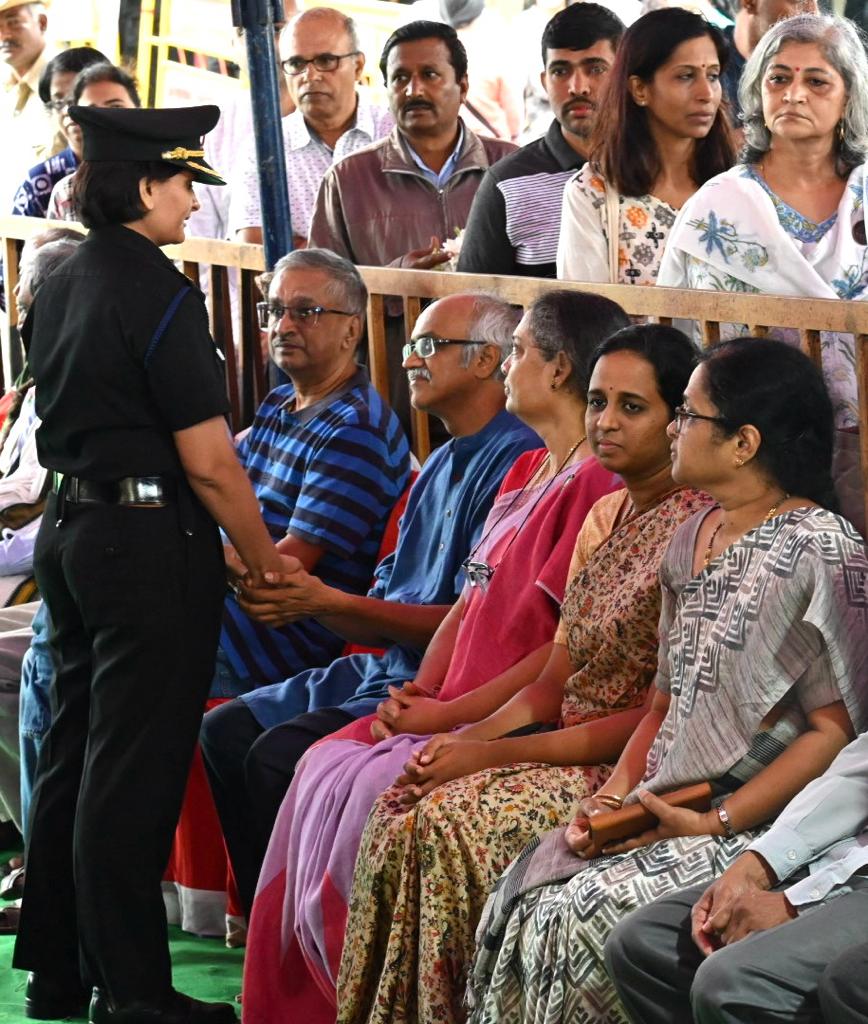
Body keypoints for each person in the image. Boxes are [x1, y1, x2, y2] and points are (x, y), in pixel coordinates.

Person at [239, 291, 630, 1024]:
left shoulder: (595, 488)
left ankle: (366, 998)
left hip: (499, 711)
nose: (507, 367)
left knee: (376, 792)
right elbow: (465, 602)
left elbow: (559, 655)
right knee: (321, 766)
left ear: (559, 369)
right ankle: (299, 999)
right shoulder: (525, 472)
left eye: (518, 352)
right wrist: (418, 692)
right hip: (448, 695)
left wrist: (449, 715)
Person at [466, 338, 868, 1024]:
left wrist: (716, 819)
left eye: (687, 414)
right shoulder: (691, 536)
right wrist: (616, 798)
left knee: (581, 915)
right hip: (665, 797)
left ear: (743, 443)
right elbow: (663, 700)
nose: (673, 430)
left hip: (751, 812)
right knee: (530, 892)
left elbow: (835, 733)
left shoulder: (820, 548)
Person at [330, 323, 712, 1024]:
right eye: (598, 402)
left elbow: (655, 716)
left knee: (448, 824)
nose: (605, 422)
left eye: (634, 407)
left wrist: (492, 754)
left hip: (628, 766)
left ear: (678, 421)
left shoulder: (700, 531)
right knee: (401, 807)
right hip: (556, 742)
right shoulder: (604, 513)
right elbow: (550, 681)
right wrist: (464, 742)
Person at [12, 105, 284, 1024]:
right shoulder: (160, 292)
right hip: (146, 544)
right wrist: (263, 563)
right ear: (142, 188)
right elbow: (208, 458)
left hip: (74, 531)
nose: (189, 204)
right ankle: (133, 992)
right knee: (130, 770)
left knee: (70, 758)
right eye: (180, 186)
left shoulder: (58, 276)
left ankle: (58, 969)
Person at [200, 293, 540, 920]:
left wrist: (323, 603)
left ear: (489, 360)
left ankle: (316, 945)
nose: (410, 361)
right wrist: (327, 605)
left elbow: (471, 623)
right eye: (411, 346)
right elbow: (389, 587)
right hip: (377, 662)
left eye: (428, 346)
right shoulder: (440, 458)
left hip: (438, 681)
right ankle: (265, 933)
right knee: (224, 731)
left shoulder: (519, 461)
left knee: (274, 754)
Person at [657, 13, 868, 534]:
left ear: (849, 99)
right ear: (758, 92)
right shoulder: (718, 207)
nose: (794, 94)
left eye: (817, 81)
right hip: (746, 444)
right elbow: (673, 333)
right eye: (779, 78)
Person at [213, 248, 411, 696]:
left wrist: (196, 547)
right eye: (276, 311)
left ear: (351, 330)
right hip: (227, 611)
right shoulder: (278, 404)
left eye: (306, 312)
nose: (283, 326)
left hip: (276, 644)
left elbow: (280, 575)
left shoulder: (355, 428)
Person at [605, 726, 868, 1023]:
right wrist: (756, 865)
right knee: (640, 944)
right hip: (837, 843)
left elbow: (829, 730)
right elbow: (857, 771)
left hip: (747, 811)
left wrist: (798, 903)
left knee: (730, 985)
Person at [308, 20, 515, 270]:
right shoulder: (346, 180)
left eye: (430, 75)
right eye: (400, 78)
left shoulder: (511, 167)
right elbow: (323, 286)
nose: (413, 91)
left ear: (462, 86)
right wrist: (395, 280)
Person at [557, 7, 735, 285]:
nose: (706, 94)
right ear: (640, 89)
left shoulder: (738, 187)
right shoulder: (593, 194)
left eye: (712, 76)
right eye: (686, 76)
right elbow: (585, 319)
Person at [457, 4, 624, 278]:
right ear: (544, 81)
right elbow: (474, 304)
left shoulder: (660, 168)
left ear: (625, 77)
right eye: (561, 71)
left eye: (595, 69)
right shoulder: (506, 184)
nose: (577, 86)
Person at [229, 7, 393, 248]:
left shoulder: (394, 133)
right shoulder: (265, 149)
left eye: (326, 61)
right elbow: (253, 242)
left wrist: (304, 247)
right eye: (296, 63)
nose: (310, 75)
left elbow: (411, 233)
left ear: (358, 66)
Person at [10, 47, 108, 217]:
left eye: (79, 96)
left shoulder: (148, 170)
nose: (68, 110)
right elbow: (16, 241)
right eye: (58, 102)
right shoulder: (39, 183)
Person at [44, 63, 141, 221]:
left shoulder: (166, 183)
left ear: (138, 109)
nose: (104, 118)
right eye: (92, 112)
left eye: (115, 107)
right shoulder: (67, 193)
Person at [721, 0, 816, 123]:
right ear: (749, 2)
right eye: (798, 1)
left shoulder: (825, 63)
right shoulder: (706, 60)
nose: (813, 12)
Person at [0, 1, 54, 208]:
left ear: (41, 22)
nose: (4, 36)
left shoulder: (67, 86)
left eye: (13, 23)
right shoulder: (5, 87)